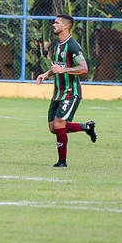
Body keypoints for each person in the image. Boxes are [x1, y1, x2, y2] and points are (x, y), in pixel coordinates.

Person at [36, 14, 97, 168]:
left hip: (71, 92)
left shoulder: (73, 45)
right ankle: (86, 127)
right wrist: (46, 73)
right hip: (58, 93)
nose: (53, 25)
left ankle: (62, 162)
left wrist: (64, 70)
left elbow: (84, 69)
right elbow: (57, 66)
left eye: (56, 23)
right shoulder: (57, 45)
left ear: (65, 26)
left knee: (58, 124)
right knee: (53, 128)